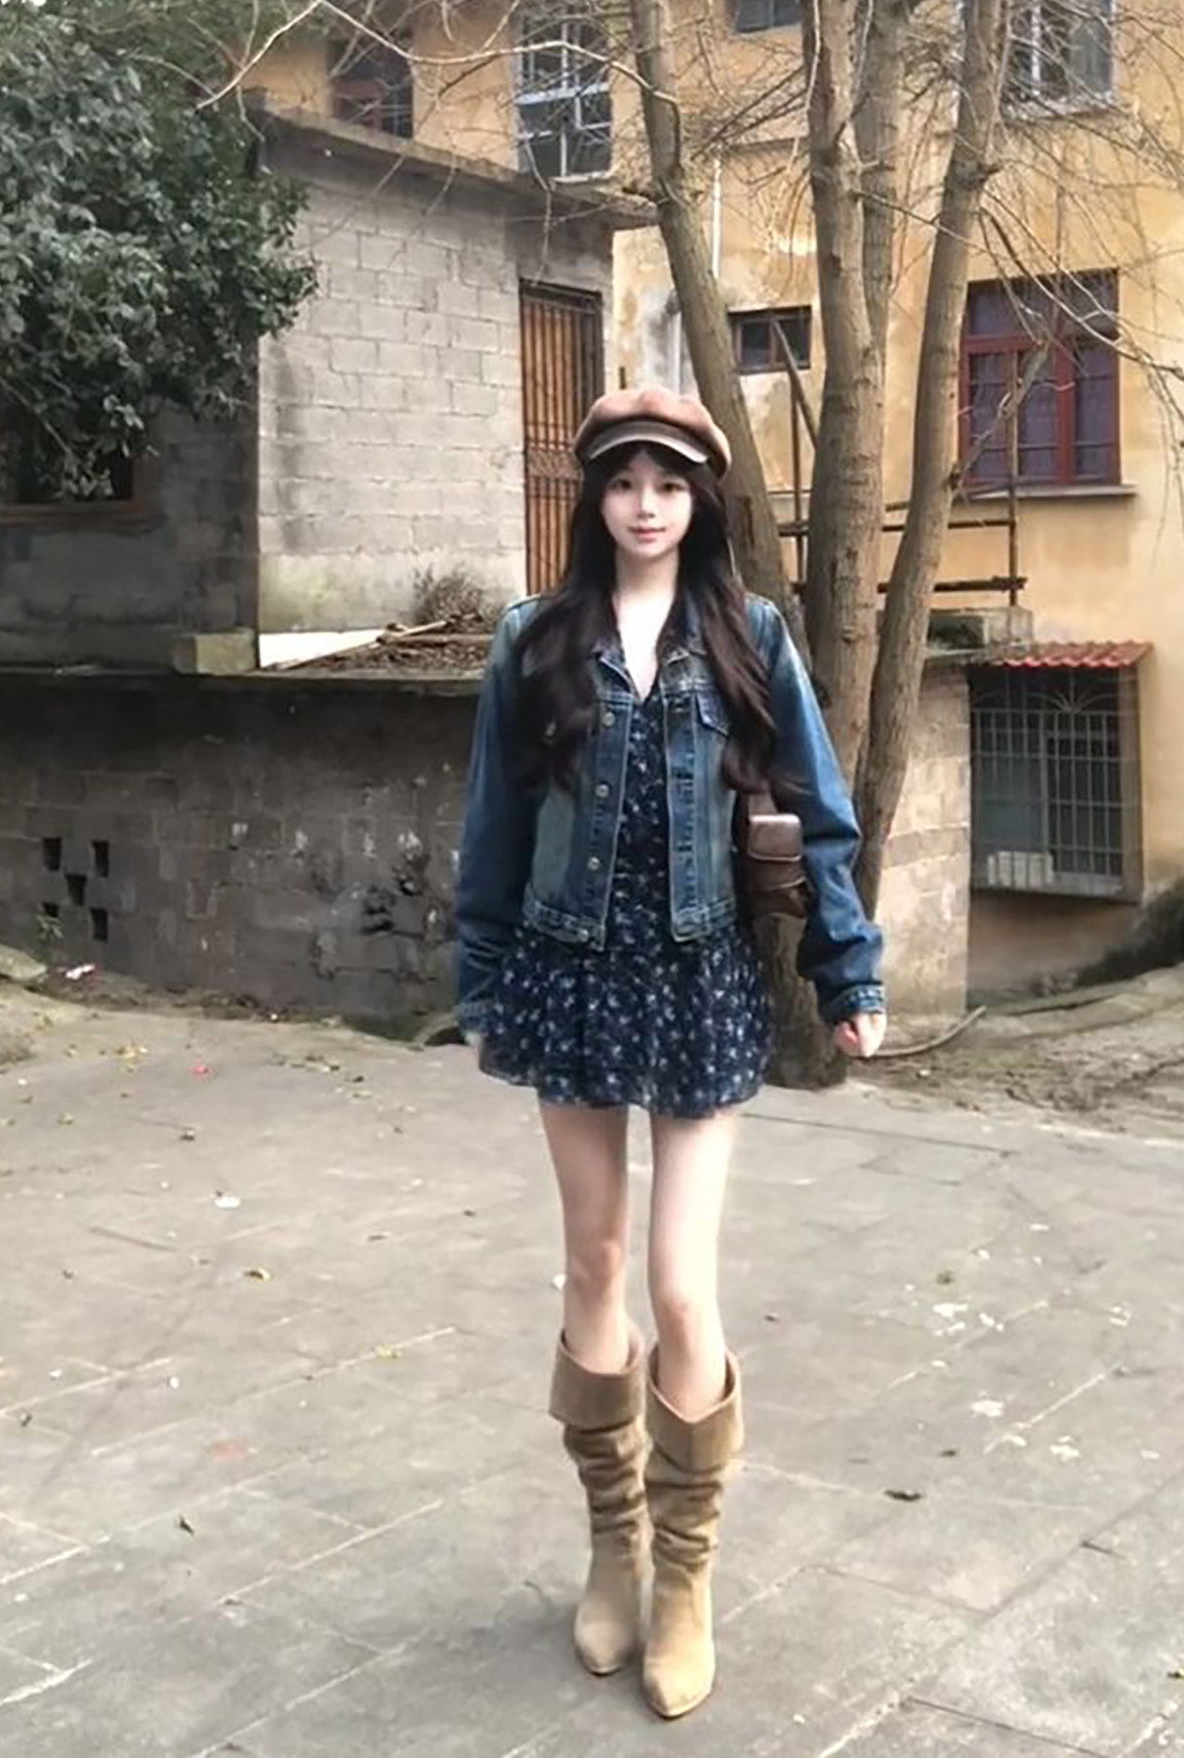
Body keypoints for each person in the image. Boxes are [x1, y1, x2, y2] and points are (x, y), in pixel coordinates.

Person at [453, 386, 886, 1719]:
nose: (646, 505)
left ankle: (687, 1578)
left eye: (670, 483)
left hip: (700, 979)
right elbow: (494, 823)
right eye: (624, 481)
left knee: (680, 1285)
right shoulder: (534, 642)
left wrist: (848, 972)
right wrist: (480, 980)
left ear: (701, 501)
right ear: (595, 497)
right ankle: (615, 1549)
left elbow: (817, 812)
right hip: (568, 973)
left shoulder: (751, 635)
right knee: (592, 1262)